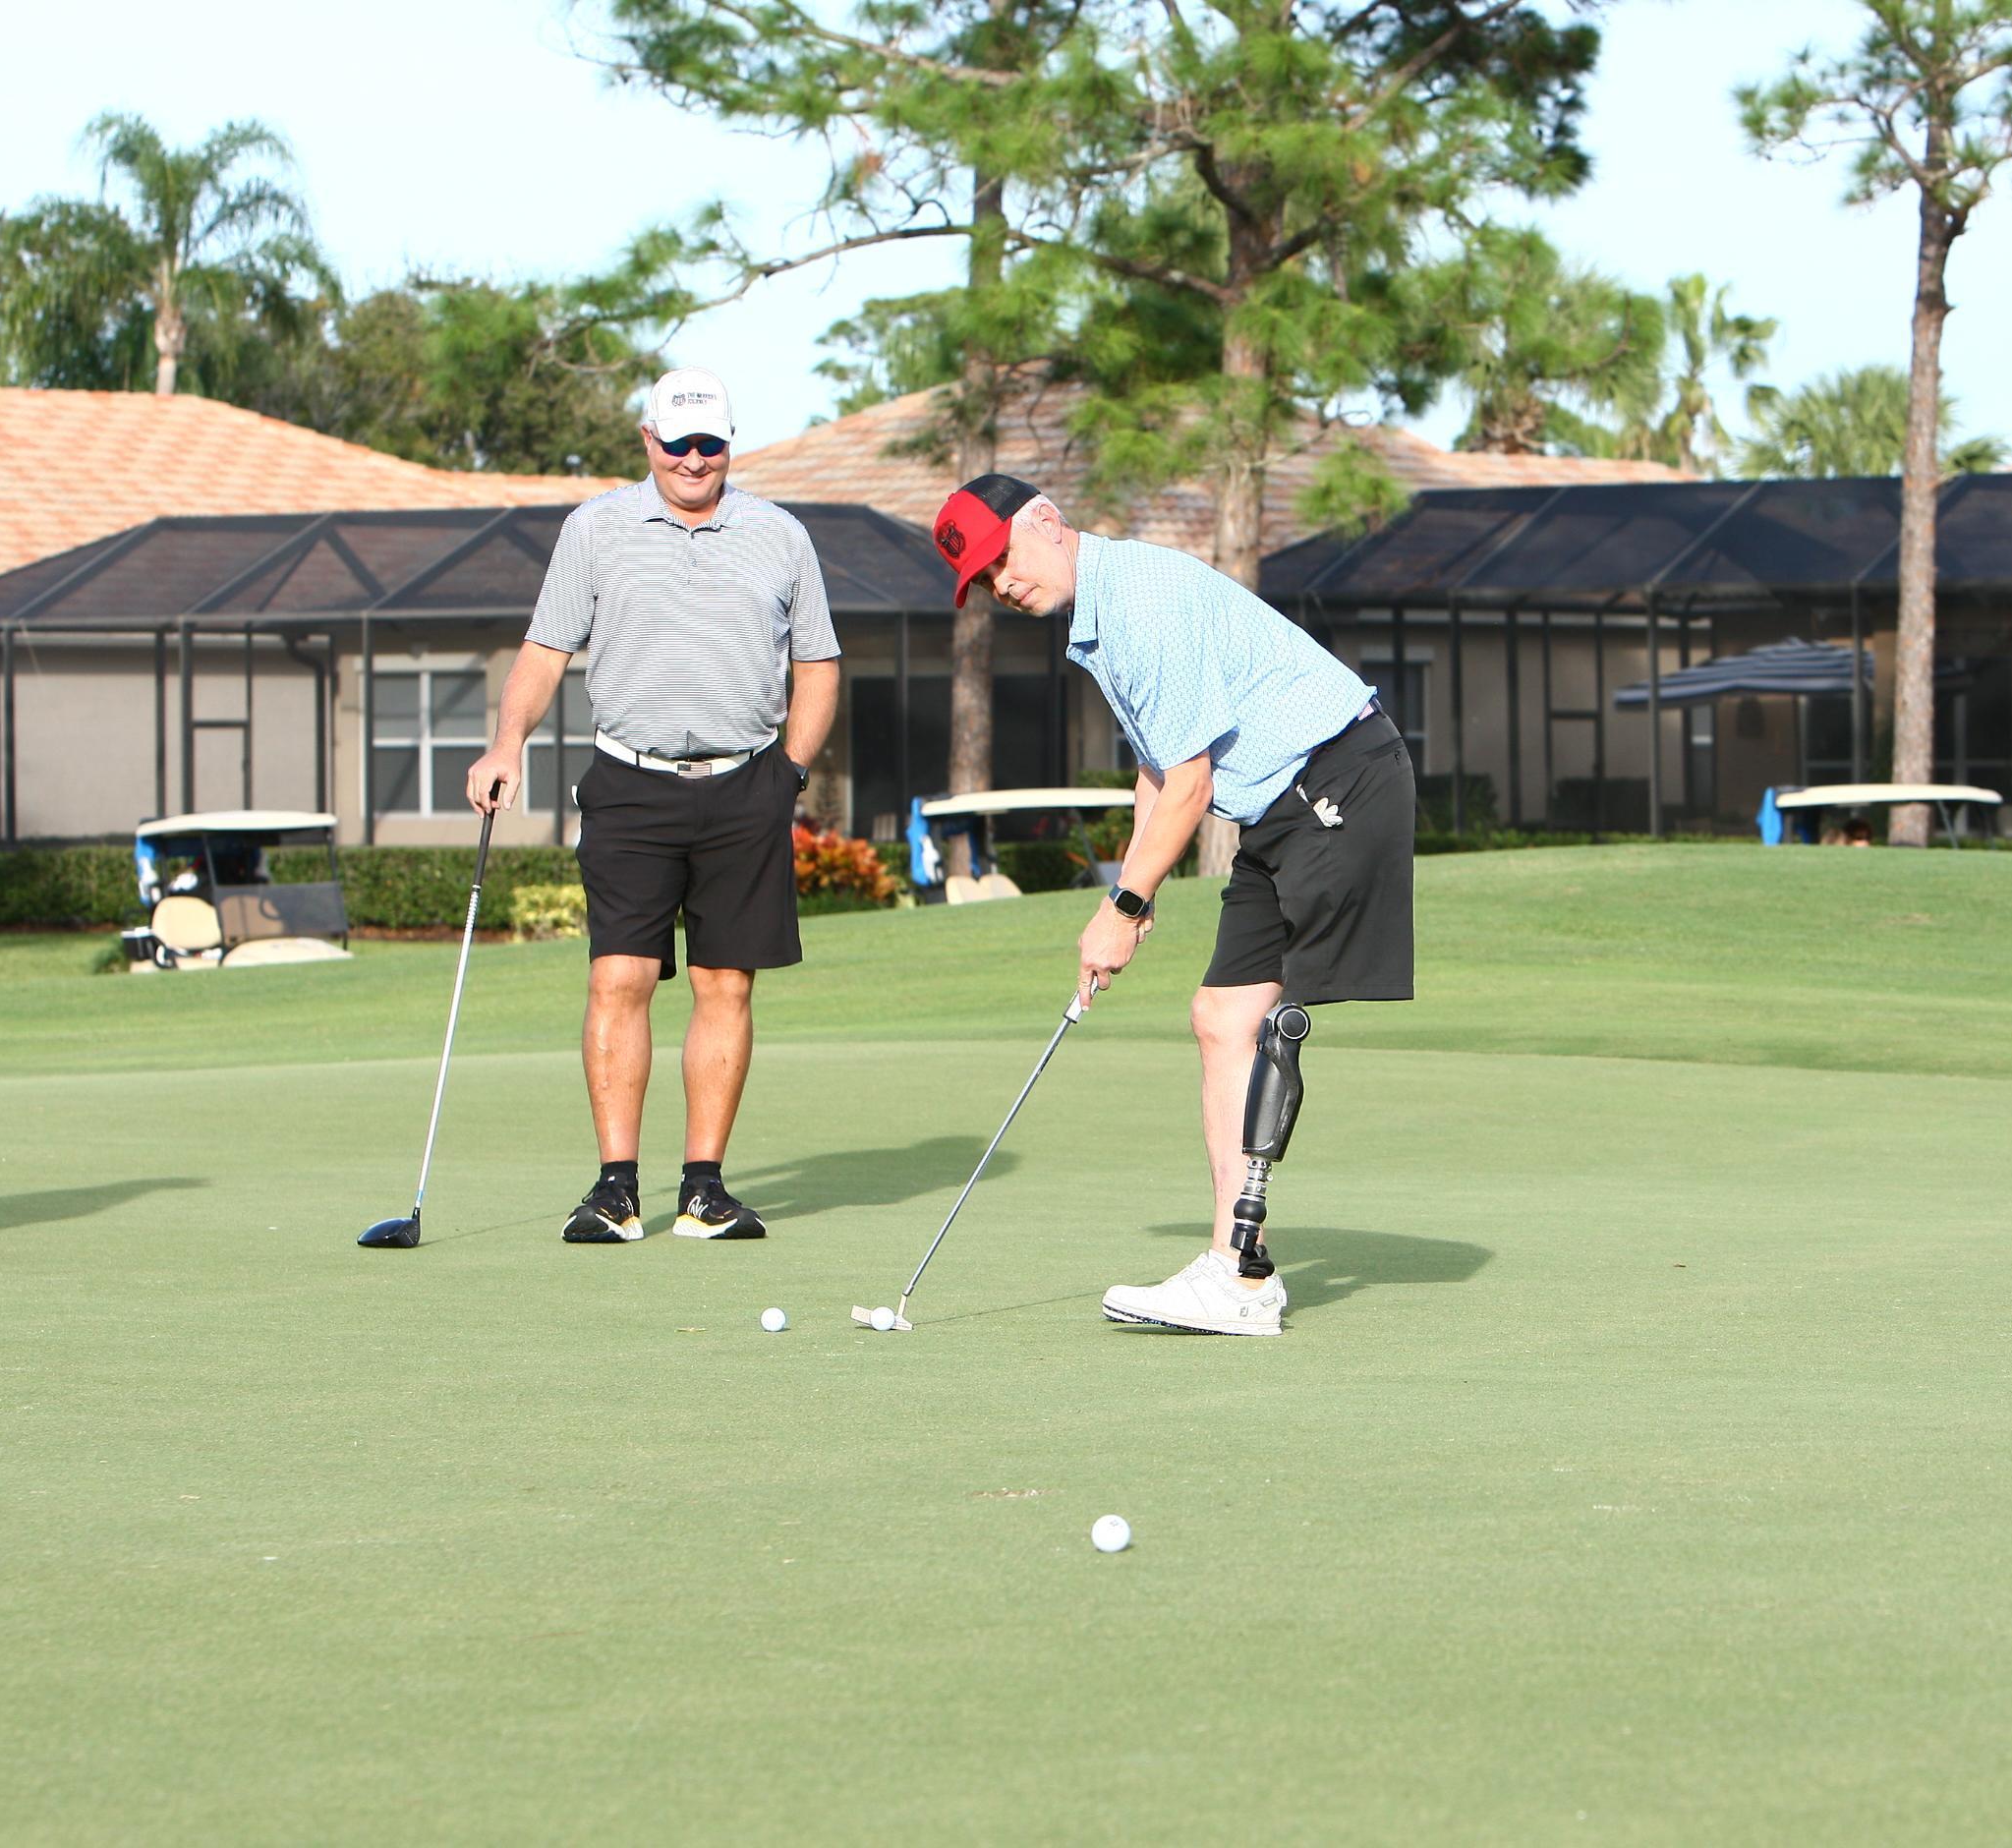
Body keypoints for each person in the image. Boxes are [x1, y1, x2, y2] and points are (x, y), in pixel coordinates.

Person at [930, 474, 1412, 1335]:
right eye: (985, 578)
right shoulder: (1102, 611)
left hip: (1335, 782)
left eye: (1003, 558)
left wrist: (1121, 906)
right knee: (1219, 1017)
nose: (1002, 584)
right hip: (1284, 800)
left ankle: (1240, 1267)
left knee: (1262, 1021)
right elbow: (1159, 766)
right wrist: (1134, 885)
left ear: (1047, 521)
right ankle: (1240, 1275)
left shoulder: (1140, 602)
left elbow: (1191, 784)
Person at [466, 367, 841, 1244]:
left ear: (729, 443)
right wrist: (505, 743)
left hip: (747, 783)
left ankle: (704, 1189)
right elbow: (545, 650)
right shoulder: (595, 529)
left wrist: (787, 775)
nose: (694, 460)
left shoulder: (780, 536)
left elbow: (818, 666)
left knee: (726, 984)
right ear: (649, 441)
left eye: (710, 443)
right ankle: (616, 1190)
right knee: (620, 977)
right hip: (630, 783)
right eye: (678, 444)